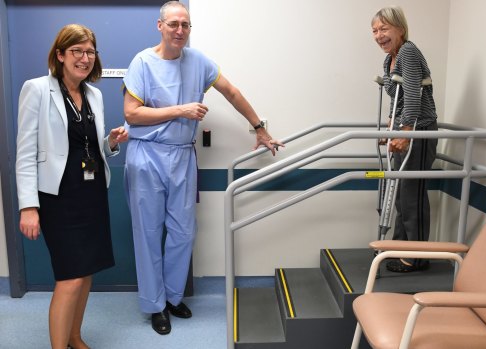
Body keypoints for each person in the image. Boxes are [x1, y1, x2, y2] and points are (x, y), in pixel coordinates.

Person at [122, 1, 284, 335]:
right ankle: (155, 306)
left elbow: (232, 92)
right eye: (173, 24)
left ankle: (171, 297)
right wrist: (180, 110)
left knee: (183, 232)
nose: (180, 30)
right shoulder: (142, 62)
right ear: (160, 26)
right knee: (149, 234)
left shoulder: (198, 61)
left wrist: (259, 127)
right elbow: (132, 114)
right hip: (147, 155)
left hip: (182, 156)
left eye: (185, 25)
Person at [15, 24, 128, 349]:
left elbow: (87, 147)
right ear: (60, 55)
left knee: (87, 272)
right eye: (77, 51)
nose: (84, 57)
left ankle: (75, 336)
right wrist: (28, 206)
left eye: (90, 51)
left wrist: (110, 142)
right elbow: (26, 152)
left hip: (90, 194)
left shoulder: (93, 94)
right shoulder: (36, 89)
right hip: (57, 198)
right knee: (70, 277)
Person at [371, 6, 438, 272]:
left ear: (400, 28)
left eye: (384, 29)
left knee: (413, 194)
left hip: (419, 130)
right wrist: (391, 128)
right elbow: (395, 99)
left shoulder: (409, 51)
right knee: (400, 194)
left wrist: (406, 131)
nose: (379, 35)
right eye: (375, 31)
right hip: (405, 128)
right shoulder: (389, 60)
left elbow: (411, 94)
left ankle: (418, 256)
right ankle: (400, 247)